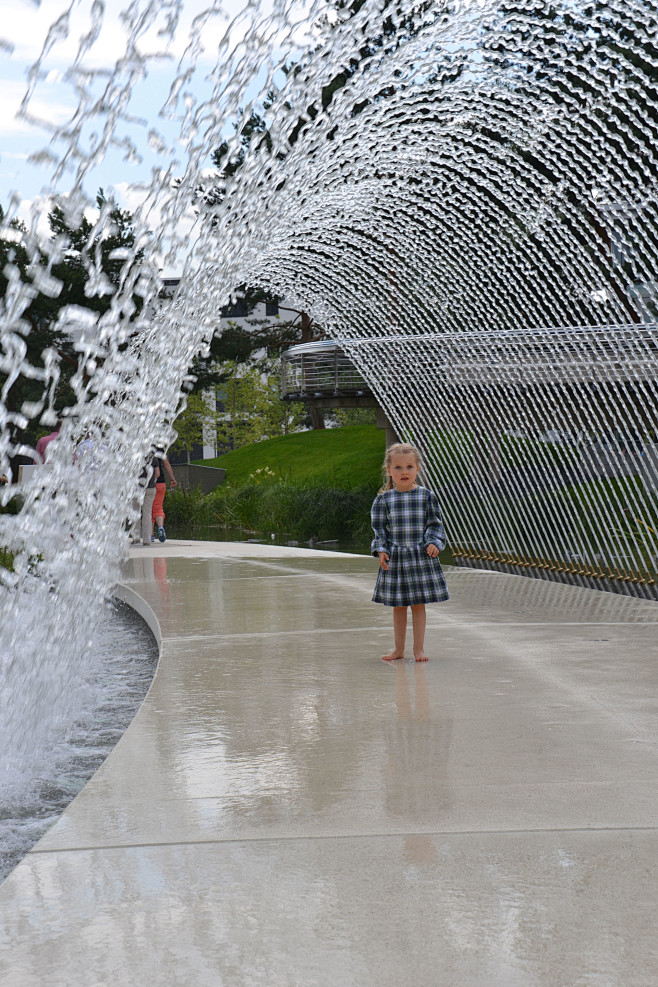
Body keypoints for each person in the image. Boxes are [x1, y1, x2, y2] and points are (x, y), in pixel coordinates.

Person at [371, 442, 449, 662]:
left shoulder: (426, 496)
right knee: (398, 606)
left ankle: (419, 649)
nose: (404, 472)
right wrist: (381, 551)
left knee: (418, 605)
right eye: (397, 468)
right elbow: (379, 531)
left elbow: (435, 524)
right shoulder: (383, 500)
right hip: (396, 559)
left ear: (418, 469)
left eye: (409, 467)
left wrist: (434, 543)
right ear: (388, 471)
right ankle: (398, 649)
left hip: (420, 557)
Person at [151, 450, 177, 542]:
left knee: (149, 508)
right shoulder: (160, 449)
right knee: (158, 507)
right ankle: (160, 527)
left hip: (150, 484)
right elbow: (166, 464)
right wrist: (172, 478)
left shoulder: (145, 448)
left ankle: (151, 535)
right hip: (161, 483)